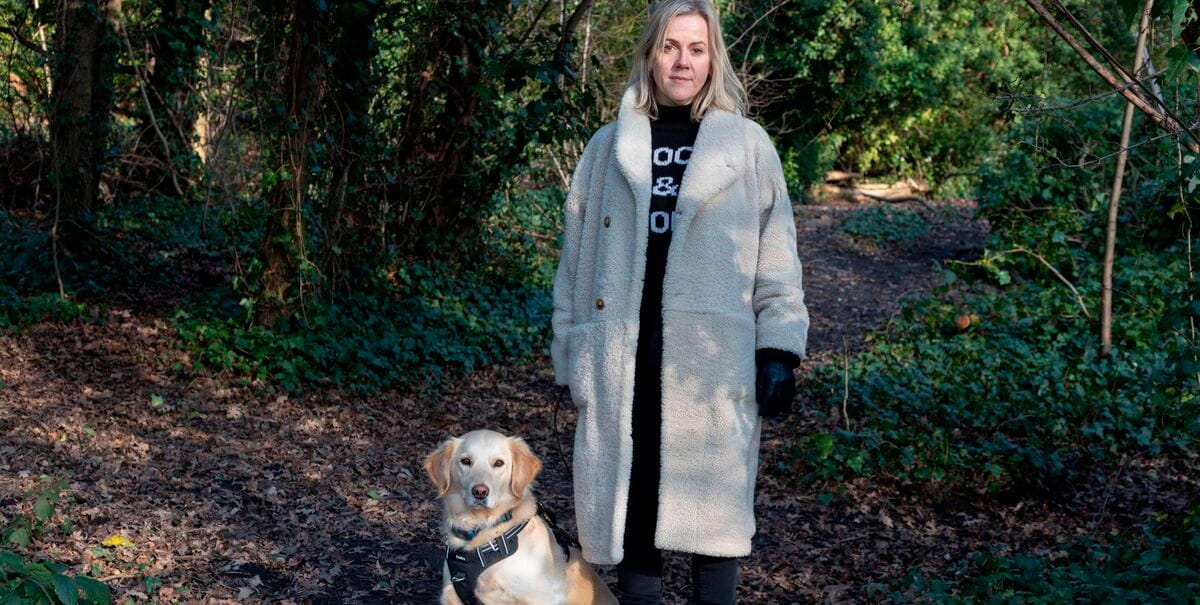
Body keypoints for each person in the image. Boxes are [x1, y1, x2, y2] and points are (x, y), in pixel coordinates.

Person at [550, 1, 809, 603]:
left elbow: (777, 259)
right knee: (630, 518)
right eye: (670, 47)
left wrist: (779, 349)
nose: (682, 61)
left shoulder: (748, 148)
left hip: (710, 368)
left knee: (712, 526)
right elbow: (574, 262)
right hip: (623, 362)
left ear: (713, 58)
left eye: (696, 49)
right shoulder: (608, 148)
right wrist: (571, 349)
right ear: (649, 54)